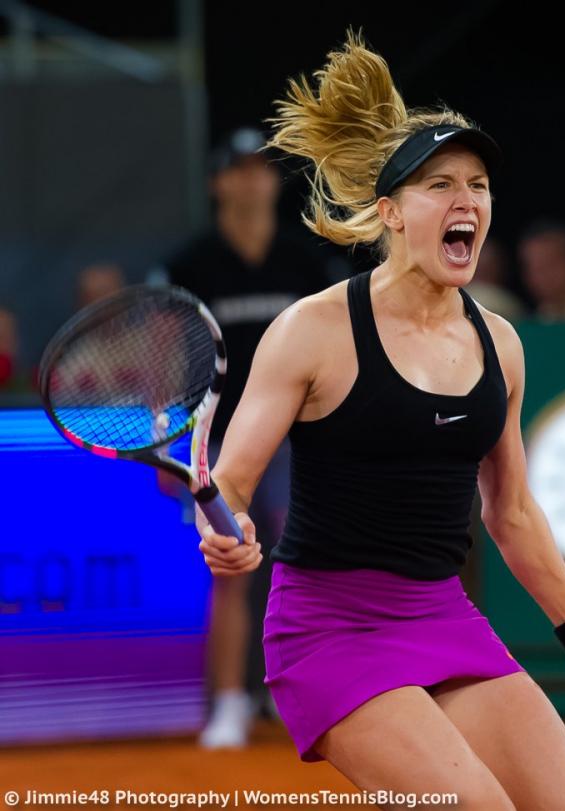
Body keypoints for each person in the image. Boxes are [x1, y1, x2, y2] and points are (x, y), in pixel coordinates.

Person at [197, 31, 565, 809]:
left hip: (442, 617)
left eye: (477, 184)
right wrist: (223, 527)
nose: (466, 200)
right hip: (327, 633)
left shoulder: (500, 344)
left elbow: (510, 513)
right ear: (391, 214)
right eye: (440, 185)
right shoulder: (313, 330)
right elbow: (231, 482)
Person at [153, 126, 338, 749]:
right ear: (219, 183)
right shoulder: (189, 263)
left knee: (303, 572)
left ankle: (300, 700)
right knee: (229, 570)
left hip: (301, 442)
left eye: (263, 168)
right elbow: (166, 351)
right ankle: (231, 704)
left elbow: (334, 347)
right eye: (239, 169)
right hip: (220, 442)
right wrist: (167, 434)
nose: (254, 179)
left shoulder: (306, 260)